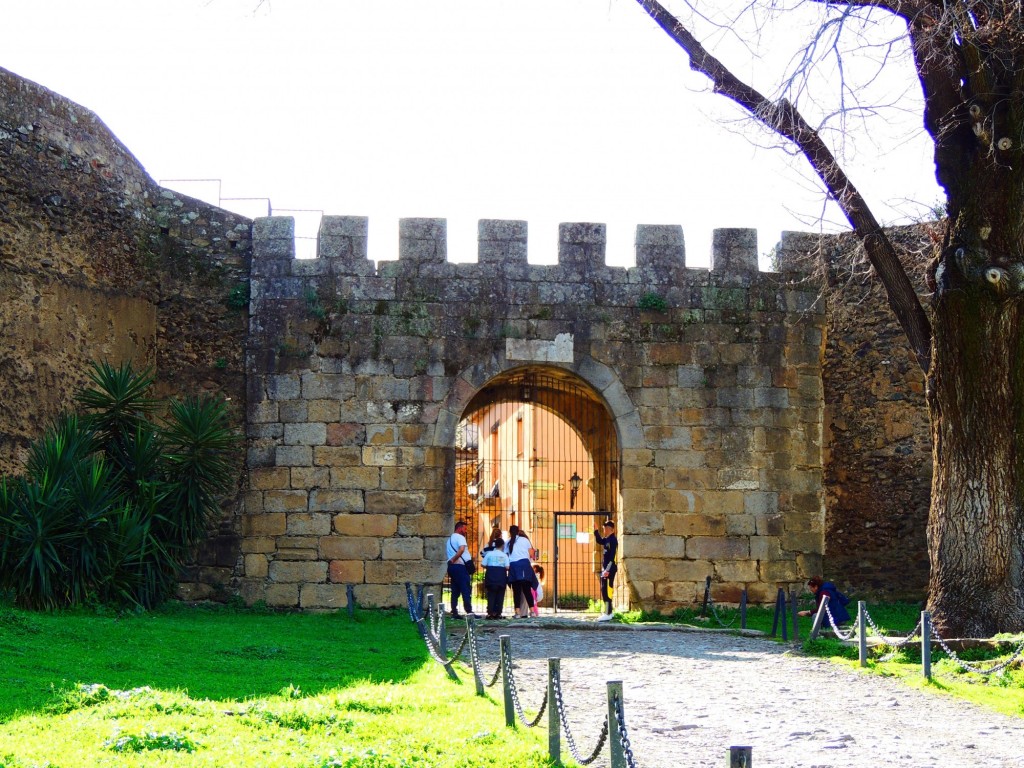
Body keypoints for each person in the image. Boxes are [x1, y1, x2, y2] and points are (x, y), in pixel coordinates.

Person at [445, 520, 476, 618]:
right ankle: (469, 612)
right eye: (465, 529)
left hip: (452, 567)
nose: (466, 531)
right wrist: (454, 559)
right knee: (465, 589)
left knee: (455, 590)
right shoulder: (460, 537)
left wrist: (452, 560)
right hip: (460, 566)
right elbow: (462, 549)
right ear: (459, 528)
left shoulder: (449, 539)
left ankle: (454, 611)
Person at [505, 524, 536, 618]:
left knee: (516, 591)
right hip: (524, 565)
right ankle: (532, 611)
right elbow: (531, 553)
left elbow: (506, 555)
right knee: (527, 589)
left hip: (513, 566)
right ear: (518, 531)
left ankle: (517, 612)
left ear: (510, 532)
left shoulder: (507, 542)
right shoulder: (525, 540)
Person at [594, 519, 617, 621]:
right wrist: (596, 531)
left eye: (606, 529)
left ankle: (607, 613)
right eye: (604, 529)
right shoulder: (607, 539)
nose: (605, 531)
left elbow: (612, 557)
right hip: (606, 570)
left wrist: (607, 570)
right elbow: (599, 540)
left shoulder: (613, 540)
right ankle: (609, 612)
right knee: (605, 590)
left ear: (611, 530)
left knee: (607, 591)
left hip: (609, 570)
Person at [481, 537, 510, 619]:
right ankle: (498, 613)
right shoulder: (504, 555)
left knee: (491, 595)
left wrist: (490, 566)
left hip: (490, 575)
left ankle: (490, 613)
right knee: (500, 596)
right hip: (501, 576)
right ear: (502, 545)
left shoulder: (489, 554)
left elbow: (483, 564)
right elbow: (507, 567)